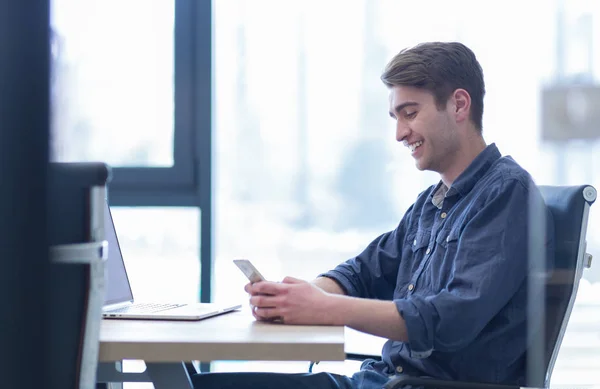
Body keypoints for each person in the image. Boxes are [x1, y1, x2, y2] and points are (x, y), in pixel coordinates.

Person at [192, 41, 554, 389]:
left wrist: (325, 309)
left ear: (459, 105)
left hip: (413, 386)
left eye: (410, 113)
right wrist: (298, 299)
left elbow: (449, 320)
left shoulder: (507, 193)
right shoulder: (432, 203)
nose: (399, 134)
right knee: (191, 385)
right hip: (382, 380)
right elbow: (364, 271)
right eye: (395, 117)